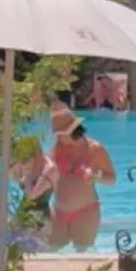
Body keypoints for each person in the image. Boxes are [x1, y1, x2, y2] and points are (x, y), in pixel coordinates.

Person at [44, 105, 116, 251]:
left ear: (71, 131)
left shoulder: (94, 149)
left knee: (83, 254)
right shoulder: (57, 148)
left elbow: (112, 179)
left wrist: (96, 176)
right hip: (58, 212)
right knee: (50, 252)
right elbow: (47, 173)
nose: (57, 137)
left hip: (85, 212)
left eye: (60, 134)